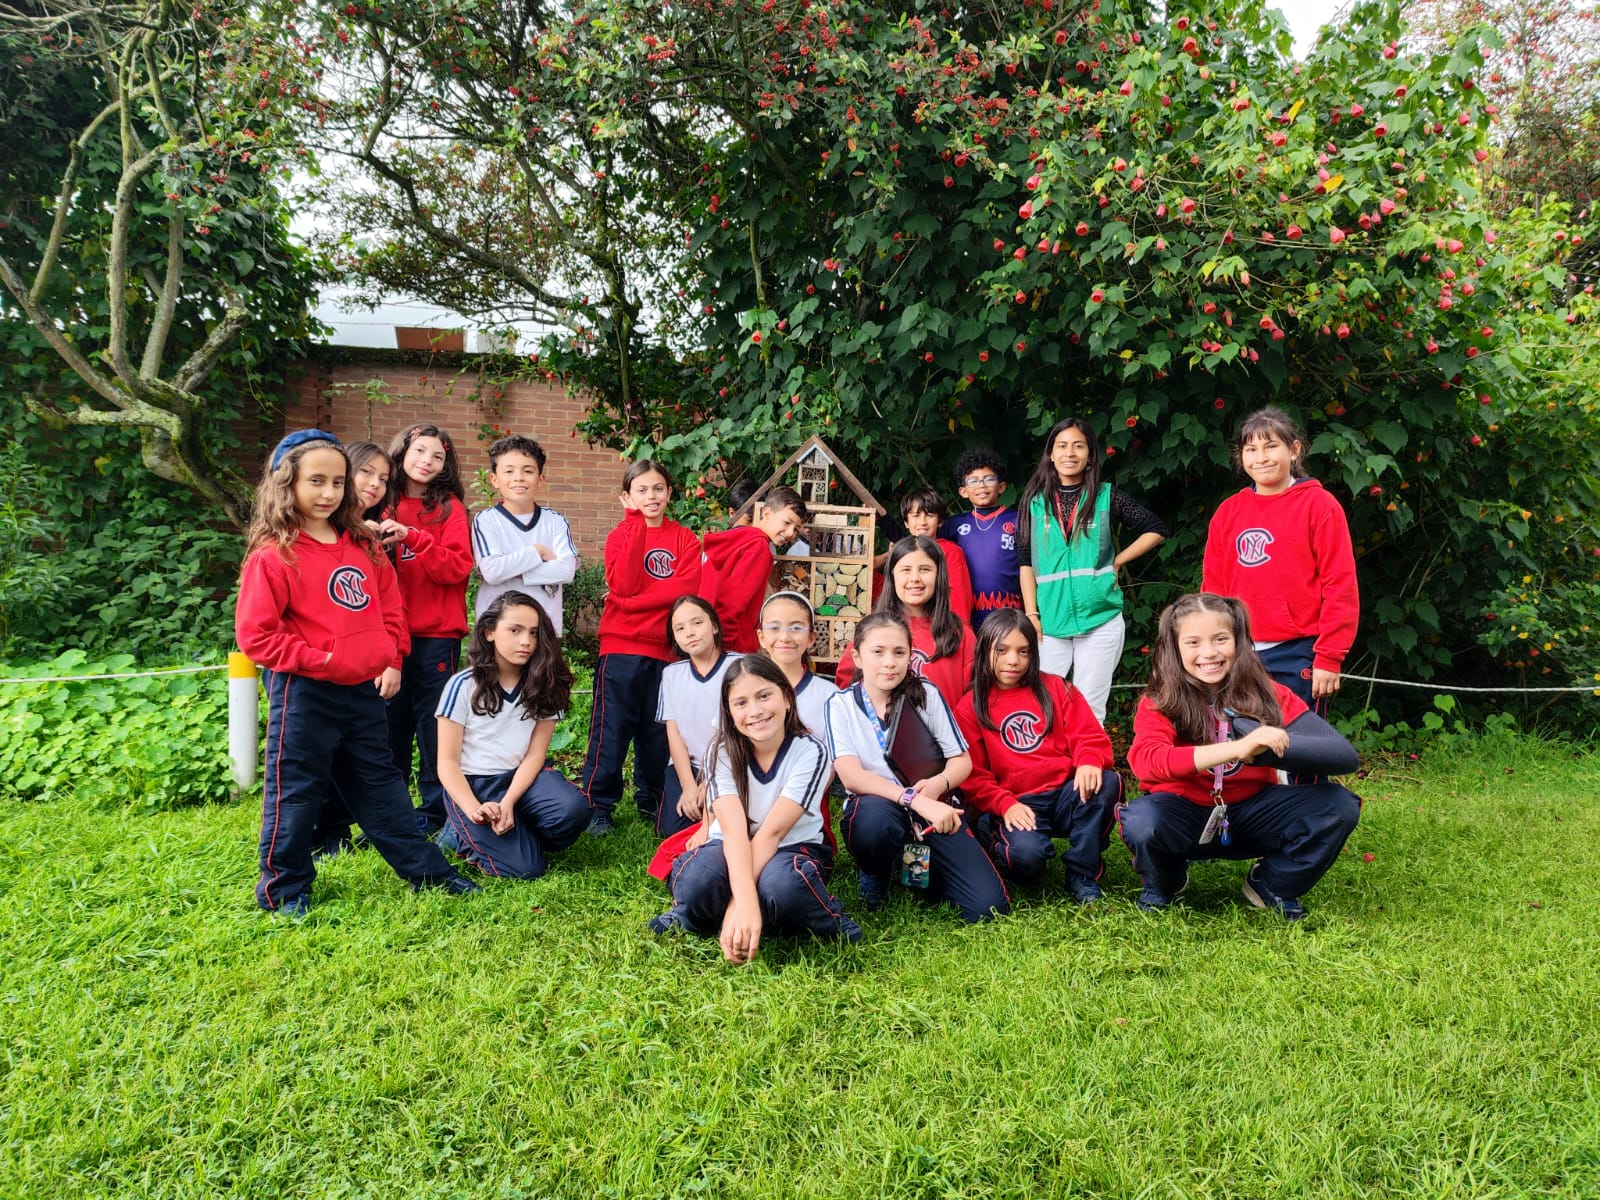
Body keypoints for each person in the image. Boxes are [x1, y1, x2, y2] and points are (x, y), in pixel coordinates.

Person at [235, 429, 477, 916]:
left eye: (337, 482)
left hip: (363, 694)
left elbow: (391, 608)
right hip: (306, 694)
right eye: (316, 481)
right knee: (297, 793)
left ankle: (429, 873)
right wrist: (323, 661)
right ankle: (285, 888)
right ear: (289, 484)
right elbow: (257, 637)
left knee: (383, 788)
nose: (328, 493)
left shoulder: (362, 545)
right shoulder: (274, 554)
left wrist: (388, 652)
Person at [1120, 593, 1362, 920]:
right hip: (1185, 814)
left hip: (1253, 811)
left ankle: (1272, 884)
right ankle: (1165, 882)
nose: (1209, 653)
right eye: (1193, 642)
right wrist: (1237, 748)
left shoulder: (1269, 693)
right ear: (1174, 648)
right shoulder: (1159, 700)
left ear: (1239, 641)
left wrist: (1265, 753)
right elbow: (1148, 762)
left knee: (1338, 804)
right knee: (1141, 820)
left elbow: (1342, 755)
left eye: (1221, 639)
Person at [649, 655, 861, 960]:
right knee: (698, 878)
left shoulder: (811, 751)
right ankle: (690, 916)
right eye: (741, 703)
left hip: (790, 847)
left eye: (764, 696)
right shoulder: (720, 750)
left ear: (787, 698)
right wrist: (745, 900)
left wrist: (740, 905)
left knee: (783, 887)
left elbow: (772, 834)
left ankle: (827, 920)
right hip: (730, 844)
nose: (755, 711)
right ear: (728, 712)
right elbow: (734, 833)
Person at [826, 612, 1008, 923]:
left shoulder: (926, 694)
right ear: (857, 656)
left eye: (899, 652)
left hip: (932, 809)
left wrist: (938, 785)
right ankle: (876, 869)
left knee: (987, 907)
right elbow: (851, 777)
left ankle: (911, 861)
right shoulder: (840, 704)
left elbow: (961, 761)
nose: (889, 662)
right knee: (872, 822)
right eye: (878, 652)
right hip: (880, 808)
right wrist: (915, 799)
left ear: (910, 655)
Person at [954, 610, 1121, 904]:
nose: (1012, 660)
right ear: (984, 651)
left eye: (1023, 651)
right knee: (1027, 862)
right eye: (1001, 650)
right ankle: (993, 836)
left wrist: (1089, 759)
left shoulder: (1055, 688)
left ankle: (1082, 872)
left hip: (1065, 795)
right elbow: (973, 775)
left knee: (1106, 782)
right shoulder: (971, 705)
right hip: (1017, 801)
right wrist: (1004, 805)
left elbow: (1089, 736)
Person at [1202, 406, 1359, 714]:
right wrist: (1214, 646)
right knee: (1241, 748)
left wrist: (1329, 656)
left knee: (1298, 749)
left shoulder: (1319, 505)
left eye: (1271, 446)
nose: (1261, 458)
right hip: (1238, 650)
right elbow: (1213, 590)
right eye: (1251, 449)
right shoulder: (1229, 511)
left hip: (1298, 651)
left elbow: (1340, 585)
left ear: (1294, 449)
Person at [581, 459, 702, 835]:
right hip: (621, 647)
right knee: (611, 729)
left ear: (669, 492)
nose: (652, 496)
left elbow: (684, 590)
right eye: (642, 490)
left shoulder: (685, 538)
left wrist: (630, 604)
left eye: (658, 488)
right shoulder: (621, 535)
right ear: (627, 496)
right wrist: (634, 525)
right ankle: (597, 805)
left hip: (665, 650)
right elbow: (624, 583)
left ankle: (649, 799)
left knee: (657, 732)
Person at [1017, 417, 1167, 721]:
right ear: (1051, 454)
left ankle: (1090, 768)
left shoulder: (1105, 496)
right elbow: (1025, 561)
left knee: (1089, 708)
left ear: (1090, 455)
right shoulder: (1034, 503)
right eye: (1062, 446)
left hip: (1101, 618)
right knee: (1043, 703)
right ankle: (1052, 767)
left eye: (1078, 445)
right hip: (1050, 622)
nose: (1069, 453)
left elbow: (1156, 528)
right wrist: (1032, 615)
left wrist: (1118, 561)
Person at [433, 590, 589, 879]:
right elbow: (447, 764)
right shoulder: (463, 686)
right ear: (489, 632)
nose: (525, 641)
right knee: (526, 869)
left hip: (522, 780)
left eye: (532, 632)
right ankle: (458, 833)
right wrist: (474, 808)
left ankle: (510, 831)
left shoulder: (545, 683)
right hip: (474, 786)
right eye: (514, 630)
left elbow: (535, 754)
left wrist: (508, 803)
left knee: (573, 811)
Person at [307, 439, 399, 859]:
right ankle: (316, 833)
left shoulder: (372, 537)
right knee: (315, 753)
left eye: (383, 478)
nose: (374, 485)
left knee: (358, 750)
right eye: (366, 473)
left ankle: (336, 830)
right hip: (309, 666)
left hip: (362, 663)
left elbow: (388, 608)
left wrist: (390, 658)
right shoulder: (304, 534)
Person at [380, 424, 473, 836]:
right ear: (402, 451)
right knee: (388, 726)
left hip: (436, 634)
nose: (426, 462)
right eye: (420, 451)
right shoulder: (380, 502)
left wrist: (414, 539)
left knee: (434, 727)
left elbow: (457, 568)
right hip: (385, 635)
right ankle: (392, 813)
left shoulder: (450, 507)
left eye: (436, 456)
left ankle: (435, 811)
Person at [834, 536, 975, 704]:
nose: (915, 578)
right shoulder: (871, 631)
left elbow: (973, 700)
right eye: (906, 569)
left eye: (924, 569)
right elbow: (847, 691)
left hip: (944, 729)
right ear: (892, 575)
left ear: (939, 575)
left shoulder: (960, 634)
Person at [471, 434, 579, 635]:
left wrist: (514, 573)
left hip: (544, 628)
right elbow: (492, 572)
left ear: (541, 479)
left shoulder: (555, 521)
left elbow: (566, 570)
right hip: (497, 628)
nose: (518, 477)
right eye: (509, 471)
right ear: (494, 479)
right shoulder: (486, 520)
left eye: (528, 471)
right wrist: (537, 553)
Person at [656, 596, 742, 838]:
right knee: (673, 830)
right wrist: (689, 786)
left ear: (714, 626)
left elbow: (743, 732)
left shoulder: (740, 667)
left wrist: (712, 782)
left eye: (697, 623)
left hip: (732, 764)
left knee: (727, 824)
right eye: (680, 628)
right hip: (689, 766)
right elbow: (673, 733)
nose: (689, 633)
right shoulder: (671, 675)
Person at [700, 485, 808, 653]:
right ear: (766, 513)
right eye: (786, 523)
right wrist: (724, 649)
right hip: (729, 646)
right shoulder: (759, 548)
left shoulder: (740, 539)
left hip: (707, 636)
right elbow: (733, 602)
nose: (790, 533)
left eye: (796, 529)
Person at [939, 448, 1022, 628]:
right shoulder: (954, 526)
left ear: (1001, 487)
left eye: (989, 479)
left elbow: (1030, 566)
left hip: (1009, 616)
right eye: (973, 481)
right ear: (963, 491)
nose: (981, 486)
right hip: (966, 617)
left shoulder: (1018, 520)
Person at [872, 488, 975, 624]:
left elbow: (960, 599)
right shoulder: (901, 551)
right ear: (906, 522)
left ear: (940, 521)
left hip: (940, 629)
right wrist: (887, 556)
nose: (922, 522)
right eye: (915, 516)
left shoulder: (950, 552)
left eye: (930, 515)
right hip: (904, 627)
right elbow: (883, 589)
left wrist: (957, 632)